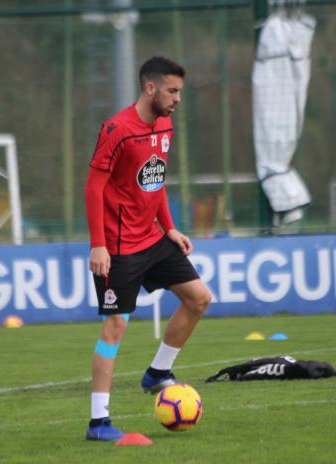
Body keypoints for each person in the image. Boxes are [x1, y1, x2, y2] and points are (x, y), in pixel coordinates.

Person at [83, 56, 212, 441]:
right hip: (118, 247)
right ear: (150, 88)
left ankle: (157, 373)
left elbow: (156, 180)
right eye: (172, 91)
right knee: (114, 327)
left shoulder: (165, 125)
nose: (177, 99)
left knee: (199, 298)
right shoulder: (117, 129)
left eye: (180, 92)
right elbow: (93, 187)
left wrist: (169, 228)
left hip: (152, 239)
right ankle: (98, 423)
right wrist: (98, 245)